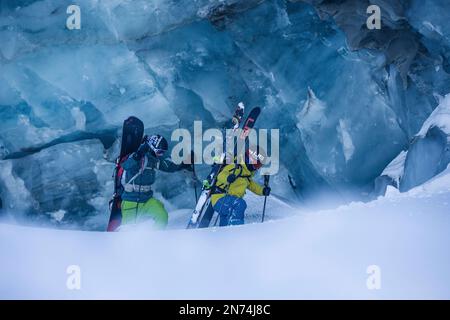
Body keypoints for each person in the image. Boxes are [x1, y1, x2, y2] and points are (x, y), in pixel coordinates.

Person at [120, 134, 192, 229]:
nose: (160, 155)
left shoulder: (153, 161)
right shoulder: (137, 157)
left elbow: (168, 166)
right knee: (127, 230)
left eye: (162, 152)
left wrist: (184, 163)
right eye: (159, 152)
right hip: (131, 201)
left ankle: (154, 240)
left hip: (147, 200)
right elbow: (126, 166)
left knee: (162, 216)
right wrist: (138, 154)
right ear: (151, 147)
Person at [209, 146, 271, 226]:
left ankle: (224, 235)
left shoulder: (247, 176)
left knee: (225, 219)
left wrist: (263, 191)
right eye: (256, 165)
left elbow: (253, 186)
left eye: (258, 166)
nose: (256, 168)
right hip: (220, 198)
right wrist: (228, 178)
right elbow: (221, 175)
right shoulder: (235, 166)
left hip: (229, 201)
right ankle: (237, 230)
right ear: (250, 160)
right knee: (240, 204)